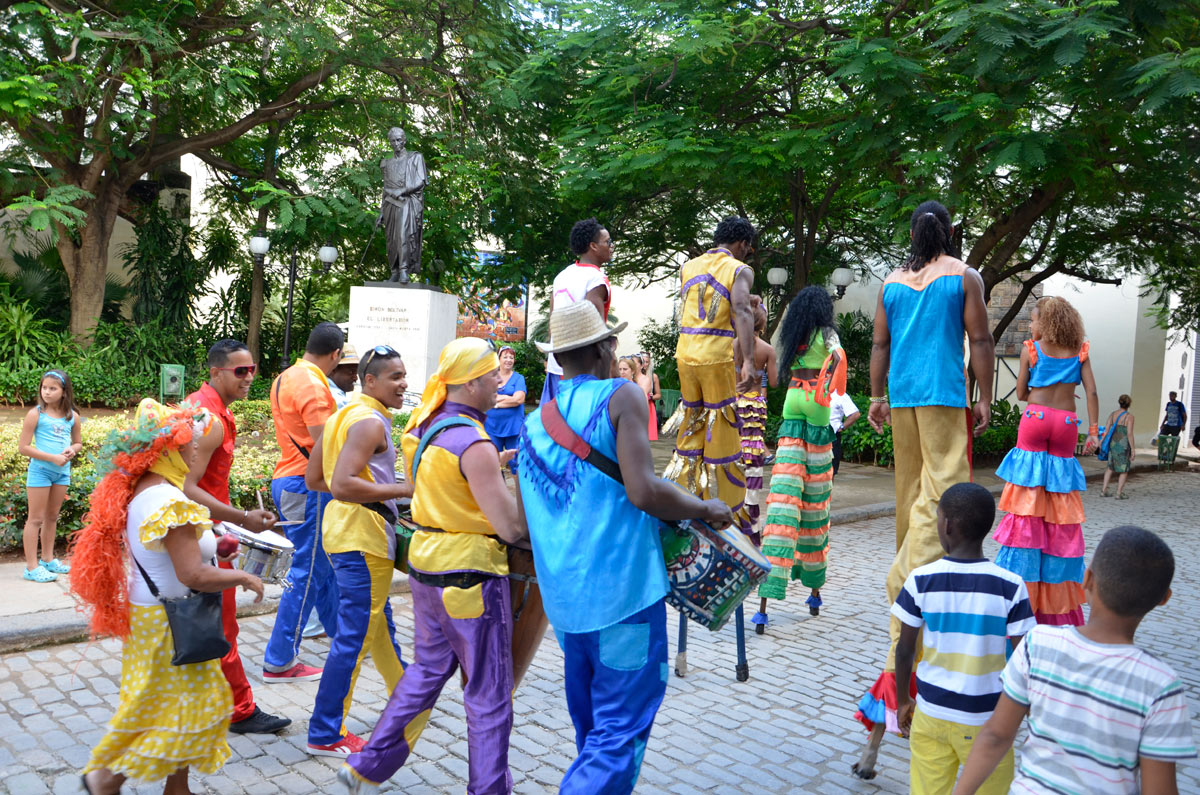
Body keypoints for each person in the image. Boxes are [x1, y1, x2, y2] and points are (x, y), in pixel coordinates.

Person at [516, 301, 734, 794]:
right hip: (623, 599)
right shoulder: (622, 396)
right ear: (604, 347)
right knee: (618, 734)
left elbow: (522, 521)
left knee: (593, 730)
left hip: (567, 607)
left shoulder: (533, 424)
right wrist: (704, 508)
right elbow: (644, 490)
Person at [338, 338, 526, 794]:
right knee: (488, 694)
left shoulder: (426, 429)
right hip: (471, 578)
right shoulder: (474, 440)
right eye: (491, 377)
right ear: (472, 382)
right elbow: (508, 527)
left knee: (425, 672)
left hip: (426, 570)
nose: (498, 384)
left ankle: (366, 766)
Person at [853, 200, 995, 780]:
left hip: (905, 398)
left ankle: (905, 576)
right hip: (940, 394)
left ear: (913, 234)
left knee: (912, 492)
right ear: (948, 233)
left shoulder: (891, 282)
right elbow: (982, 342)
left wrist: (877, 395)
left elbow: (879, 347)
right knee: (943, 494)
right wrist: (984, 396)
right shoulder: (965, 276)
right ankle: (911, 577)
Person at [70, 399, 265, 795]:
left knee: (163, 706)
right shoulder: (169, 503)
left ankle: (178, 789)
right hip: (170, 624)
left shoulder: (145, 490)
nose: (196, 450)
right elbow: (191, 573)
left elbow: (172, 552)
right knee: (197, 708)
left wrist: (216, 548)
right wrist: (242, 576)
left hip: (152, 620)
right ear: (168, 450)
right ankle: (105, 780)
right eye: (189, 443)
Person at [953, 526, 1196, 795]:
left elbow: (996, 735)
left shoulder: (1037, 644)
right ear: (1164, 599)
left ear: (1087, 579)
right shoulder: (1160, 685)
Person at [892, 482, 1036, 795]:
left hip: (931, 713)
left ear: (946, 525)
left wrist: (904, 699)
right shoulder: (1011, 586)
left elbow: (904, 651)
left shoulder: (921, 580)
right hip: (988, 721)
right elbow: (1026, 661)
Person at [304, 346, 412, 757]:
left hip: (346, 533)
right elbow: (343, 484)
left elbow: (317, 479)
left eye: (404, 375)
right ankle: (326, 731)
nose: (404, 384)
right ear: (370, 380)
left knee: (377, 625)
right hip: (363, 538)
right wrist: (402, 488)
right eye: (395, 376)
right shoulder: (369, 423)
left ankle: (407, 699)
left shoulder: (341, 417)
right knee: (354, 638)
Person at [182, 340, 290, 735]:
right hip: (201, 533)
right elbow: (188, 486)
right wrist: (244, 518)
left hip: (205, 530)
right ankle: (239, 710)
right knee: (222, 625)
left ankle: (208, 702)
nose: (248, 378)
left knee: (205, 621)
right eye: (239, 371)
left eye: (252, 369)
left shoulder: (207, 408)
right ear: (216, 372)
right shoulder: (208, 419)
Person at [992, 296, 1099, 627]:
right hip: (1067, 422)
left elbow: (1021, 392)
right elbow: (1092, 393)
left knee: (1028, 494)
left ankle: (1025, 565)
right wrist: (1093, 431)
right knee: (1059, 497)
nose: (1031, 325)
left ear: (1046, 323)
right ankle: (1054, 571)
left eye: (1034, 320)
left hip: (1036, 417)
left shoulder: (1031, 349)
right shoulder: (1080, 350)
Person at [755, 286, 845, 630]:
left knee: (784, 497)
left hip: (793, 397)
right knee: (816, 499)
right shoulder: (827, 332)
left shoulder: (793, 333)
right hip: (818, 402)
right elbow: (839, 356)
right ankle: (814, 592)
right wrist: (828, 384)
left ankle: (765, 601)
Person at [663, 216, 757, 537]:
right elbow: (741, 310)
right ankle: (723, 507)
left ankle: (684, 496)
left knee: (692, 423)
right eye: (749, 248)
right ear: (743, 244)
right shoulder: (739, 270)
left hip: (686, 353)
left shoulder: (688, 266)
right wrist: (747, 362)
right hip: (717, 356)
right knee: (721, 425)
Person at [263, 321, 344, 682]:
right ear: (336, 355)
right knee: (308, 570)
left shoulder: (286, 377)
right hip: (308, 486)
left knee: (320, 566)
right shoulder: (313, 383)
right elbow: (324, 442)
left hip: (290, 480)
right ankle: (279, 659)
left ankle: (345, 638)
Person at [541, 217, 613, 405]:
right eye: (607, 242)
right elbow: (594, 327)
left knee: (551, 424)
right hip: (582, 369)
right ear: (593, 246)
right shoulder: (596, 278)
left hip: (557, 364)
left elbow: (552, 324)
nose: (611, 246)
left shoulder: (562, 276)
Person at [18, 369, 80, 582]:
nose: (47, 392)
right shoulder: (36, 414)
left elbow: (78, 442)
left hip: (62, 473)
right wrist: (52, 458)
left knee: (52, 517)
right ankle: (31, 567)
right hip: (41, 472)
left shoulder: (72, 416)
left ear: (64, 392)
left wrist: (73, 449)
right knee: (35, 519)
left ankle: (47, 559)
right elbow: (23, 448)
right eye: (44, 387)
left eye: (53, 388)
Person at [736, 295, 779, 542]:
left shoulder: (734, 346)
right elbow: (772, 382)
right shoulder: (767, 350)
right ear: (762, 325)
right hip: (755, 407)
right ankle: (751, 529)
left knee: (733, 459)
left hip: (735, 406)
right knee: (753, 463)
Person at [485, 345, 526, 476]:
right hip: (492, 426)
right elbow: (486, 398)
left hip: (513, 428)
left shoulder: (519, 378)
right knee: (492, 461)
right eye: (505, 357)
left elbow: (518, 400)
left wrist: (496, 403)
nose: (509, 360)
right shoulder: (490, 376)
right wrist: (508, 397)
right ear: (498, 359)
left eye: (511, 357)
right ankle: (495, 492)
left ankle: (519, 496)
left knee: (516, 463)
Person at [1101, 395, 1135, 499]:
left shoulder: (1112, 415)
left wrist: (1100, 442)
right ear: (1129, 404)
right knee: (1124, 469)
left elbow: (1106, 431)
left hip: (1113, 443)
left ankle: (1104, 490)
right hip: (1123, 444)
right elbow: (1129, 433)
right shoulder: (1129, 417)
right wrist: (1133, 449)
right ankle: (1119, 493)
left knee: (1110, 467)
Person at [829, 391, 860, 476]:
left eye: (827, 376)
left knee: (830, 471)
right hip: (813, 433)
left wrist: (842, 427)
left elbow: (855, 414)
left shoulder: (840, 395)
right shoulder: (813, 390)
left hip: (831, 434)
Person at [328, 343, 362, 408]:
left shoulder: (321, 386)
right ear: (333, 369)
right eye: (351, 372)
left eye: (356, 373)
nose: (356, 378)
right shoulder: (339, 401)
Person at [634, 353, 659, 441]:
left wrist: (651, 397)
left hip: (647, 404)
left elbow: (658, 395)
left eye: (647, 362)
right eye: (643, 361)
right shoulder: (632, 376)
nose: (645, 364)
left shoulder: (652, 377)